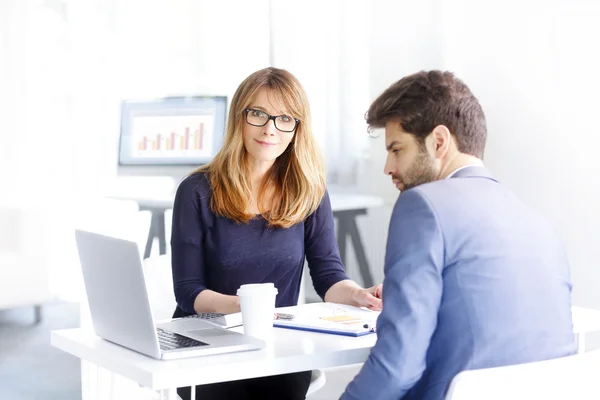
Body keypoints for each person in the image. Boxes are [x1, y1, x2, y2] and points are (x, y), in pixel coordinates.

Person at [340, 70, 576, 400]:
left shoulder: (421, 205)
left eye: (397, 150)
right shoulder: (537, 222)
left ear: (439, 141)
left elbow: (398, 366)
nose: (388, 168)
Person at [170, 67, 383, 400]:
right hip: (207, 344)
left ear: (297, 127)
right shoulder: (197, 191)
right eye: (258, 114)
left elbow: (328, 276)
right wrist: (244, 308)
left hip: (276, 346)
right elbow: (187, 292)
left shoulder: (308, 190)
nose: (270, 129)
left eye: (285, 118)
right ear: (239, 117)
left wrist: (358, 294)